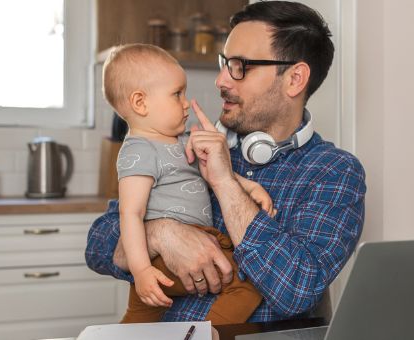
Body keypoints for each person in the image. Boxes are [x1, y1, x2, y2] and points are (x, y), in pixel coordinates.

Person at [87, 1, 366, 322]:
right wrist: (161, 233)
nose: (221, 80)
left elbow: (297, 289)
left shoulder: (334, 171)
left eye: (240, 66)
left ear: (295, 79)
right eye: (224, 62)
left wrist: (224, 182)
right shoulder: (184, 147)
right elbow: (97, 243)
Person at [102, 43, 276, 325]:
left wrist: (251, 188)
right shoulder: (138, 150)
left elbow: (215, 173)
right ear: (140, 103)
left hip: (184, 250)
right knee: (249, 284)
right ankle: (212, 333)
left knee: (138, 320)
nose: (186, 103)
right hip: (161, 260)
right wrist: (142, 270)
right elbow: (129, 213)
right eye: (176, 94)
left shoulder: (183, 142)